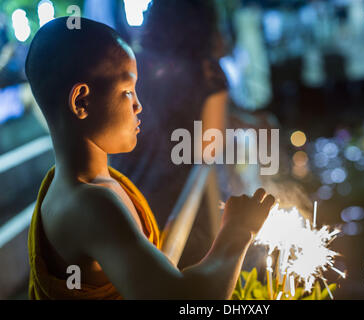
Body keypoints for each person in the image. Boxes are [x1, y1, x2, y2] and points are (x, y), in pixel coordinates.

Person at [25, 17, 274, 300]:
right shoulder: (90, 205)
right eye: (127, 91)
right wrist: (238, 231)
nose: (138, 105)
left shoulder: (90, 185)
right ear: (81, 101)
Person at [110, 0, 229, 268]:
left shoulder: (129, 66)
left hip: (125, 201)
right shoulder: (208, 73)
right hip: (180, 209)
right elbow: (208, 150)